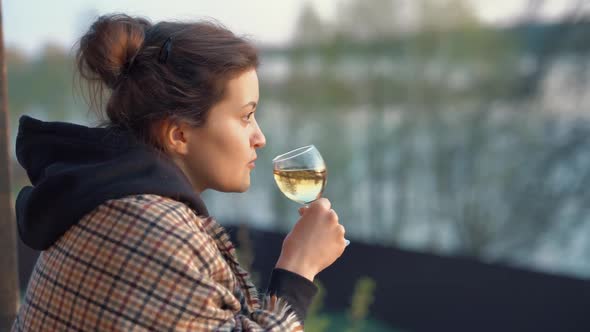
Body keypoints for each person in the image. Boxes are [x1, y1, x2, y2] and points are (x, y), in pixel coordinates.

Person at [12, 14, 347, 331]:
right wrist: (300, 265)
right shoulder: (149, 226)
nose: (259, 138)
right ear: (179, 134)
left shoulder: (111, 199)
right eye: (246, 117)